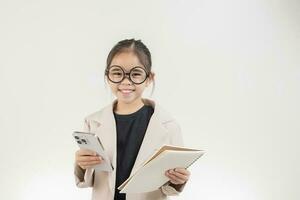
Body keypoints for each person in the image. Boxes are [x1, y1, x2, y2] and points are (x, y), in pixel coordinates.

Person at [74, 39, 190, 200]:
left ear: (149, 78)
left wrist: (177, 180)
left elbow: (170, 188)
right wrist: (81, 164)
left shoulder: (169, 126)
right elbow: (88, 181)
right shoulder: (92, 123)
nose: (125, 81)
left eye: (135, 74)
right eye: (117, 73)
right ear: (107, 76)